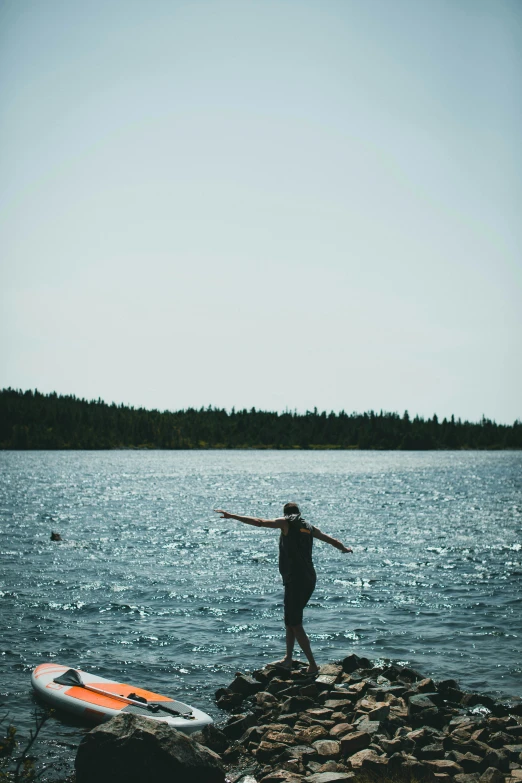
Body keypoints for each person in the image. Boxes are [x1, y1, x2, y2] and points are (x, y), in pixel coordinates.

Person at [215, 502, 352, 675]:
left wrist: (232, 516)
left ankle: (312, 665)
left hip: (296, 579)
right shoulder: (309, 527)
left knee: (295, 622)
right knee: (290, 620)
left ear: (285, 514)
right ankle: (288, 658)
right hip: (308, 578)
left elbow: (259, 522)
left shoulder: (285, 522)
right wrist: (344, 549)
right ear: (299, 513)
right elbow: (333, 540)